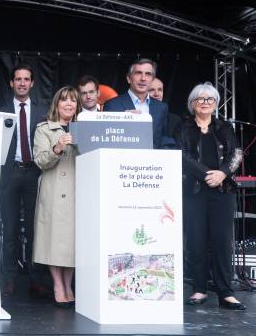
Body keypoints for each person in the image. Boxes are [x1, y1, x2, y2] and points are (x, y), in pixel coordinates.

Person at [179, 82, 245, 310]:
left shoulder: (224, 127)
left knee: (222, 242)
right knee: (196, 241)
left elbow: (236, 154)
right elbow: (181, 156)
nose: (205, 103)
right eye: (200, 99)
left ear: (216, 103)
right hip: (194, 191)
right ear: (192, 104)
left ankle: (226, 292)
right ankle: (199, 288)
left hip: (222, 191)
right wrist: (206, 174)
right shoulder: (184, 127)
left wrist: (223, 173)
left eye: (210, 99)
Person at [0, 64, 49, 298]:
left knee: (34, 229)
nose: (21, 83)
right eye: (17, 79)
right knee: (9, 230)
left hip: (34, 173)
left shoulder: (43, 111)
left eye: (26, 79)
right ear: (11, 83)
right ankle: (8, 280)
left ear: (32, 83)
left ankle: (35, 279)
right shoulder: (1, 111)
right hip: (9, 173)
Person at [32, 86, 81, 308]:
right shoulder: (43, 129)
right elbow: (40, 161)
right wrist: (57, 147)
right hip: (53, 190)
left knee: (72, 241)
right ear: (57, 104)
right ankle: (58, 286)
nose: (69, 104)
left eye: (73, 100)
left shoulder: (85, 128)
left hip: (79, 190)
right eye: (64, 100)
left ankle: (68, 284)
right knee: (53, 239)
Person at [103, 58, 168, 149]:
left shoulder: (161, 107)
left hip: (152, 162)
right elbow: (107, 140)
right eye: (138, 73)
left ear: (152, 80)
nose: (143, 78)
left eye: (148, 74)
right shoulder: (112, 105)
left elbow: (164, 139)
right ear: (129, 78)